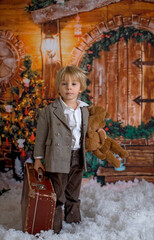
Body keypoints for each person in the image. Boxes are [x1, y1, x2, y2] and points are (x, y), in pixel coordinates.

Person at [34, 65, 106, 234]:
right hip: (57, 157)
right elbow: (41, 137)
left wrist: (99, 131)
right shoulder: (49, 111)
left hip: (77, 155)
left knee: (73, 191)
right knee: (58, 194)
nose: (69, 88)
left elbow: (88, 130)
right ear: (59, 87)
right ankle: (54, 227)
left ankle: (73, 222)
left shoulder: (85, 109)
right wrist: (38, 158)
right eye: (64, 84)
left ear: (80, 87)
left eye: (74, 84)